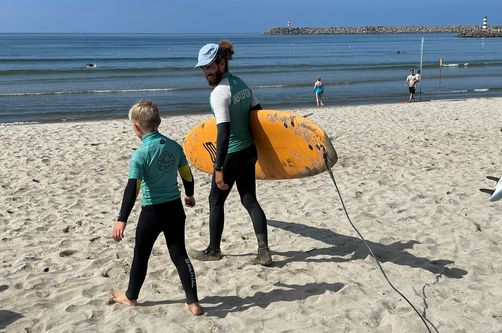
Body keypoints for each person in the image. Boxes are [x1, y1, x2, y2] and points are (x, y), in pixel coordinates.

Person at [109, 100, 202, 316]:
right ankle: (193, 302)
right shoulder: (174, 146)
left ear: (136, 127)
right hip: (175, 209)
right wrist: (189, 194)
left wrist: (122, 218)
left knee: (141, 255)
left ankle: (131, 297)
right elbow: (187, 174)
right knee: (179, 253)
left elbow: (133, 188)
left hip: (152, 212)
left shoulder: (140, 154)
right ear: (158, 122)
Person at [192, 40, 272, 266]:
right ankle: (264, 251)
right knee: (249, 200)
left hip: (232, 155)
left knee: (215, 201)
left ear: (221, 63)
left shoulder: (219, 94)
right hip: (248, 152)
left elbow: (223, 133)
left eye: (209, 66)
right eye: (203, 68)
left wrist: (218, 168)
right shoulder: (241, 84)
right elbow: (258, 114)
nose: (206, 72)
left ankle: (213, 250)